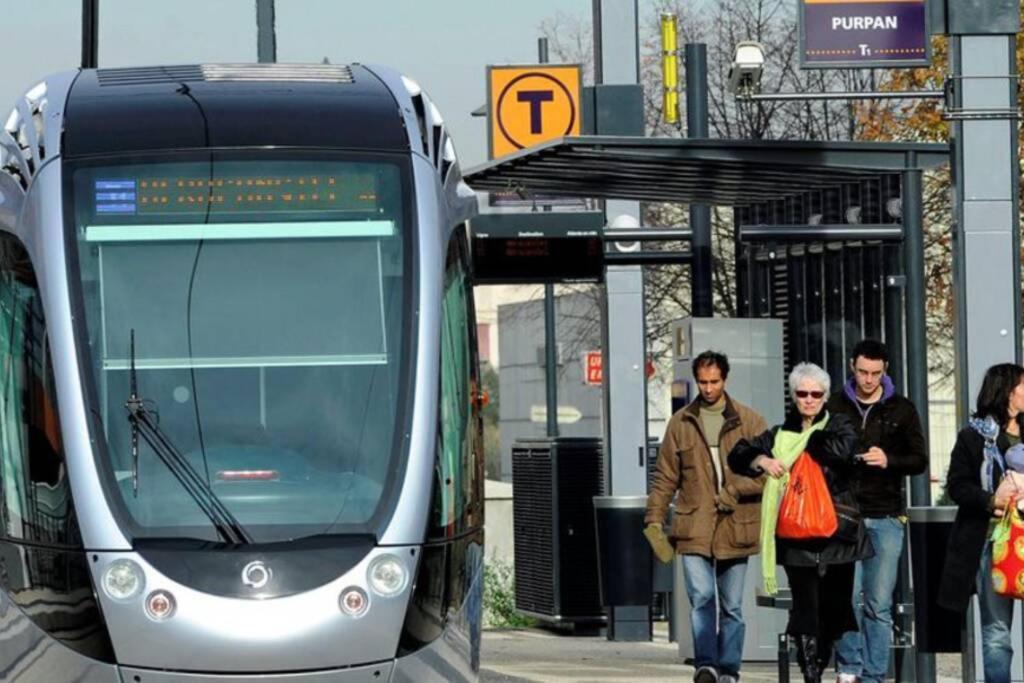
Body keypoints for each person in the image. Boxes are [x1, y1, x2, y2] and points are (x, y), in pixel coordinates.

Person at [729, 362, 871, 683]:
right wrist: (763, 459)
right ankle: (810, 674)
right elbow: (738, 453)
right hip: (796, 535)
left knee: (835, 609)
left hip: (837, 534)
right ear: (793, 396)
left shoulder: (840, 425)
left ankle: (820, 664)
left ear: (825, 397)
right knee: (805, 608)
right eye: (802, 393)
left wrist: (808, 438)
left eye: (816, 394)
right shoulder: (779, 434)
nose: (809, 400)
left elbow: (840, 451)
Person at [644, 350, 768, 683]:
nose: (708, 388)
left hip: (735, 523)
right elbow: (665, 476)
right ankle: (706, 665)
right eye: (703, 382)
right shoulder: (681, 423)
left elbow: (766, 474)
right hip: (693, 524)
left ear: (725, 380)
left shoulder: (750, 421)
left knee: (731, 606)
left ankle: (728, 668)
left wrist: (734, 491)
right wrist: (653, 519)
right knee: (701, 598)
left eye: (714, 381)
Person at [829, 339, 928, 683]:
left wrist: (889, 460)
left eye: (874, 373)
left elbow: (920, 460)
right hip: (844, 514)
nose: (868, 380)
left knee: (878, 603)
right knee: (845, 598)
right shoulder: (836, 405)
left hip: (886, 514)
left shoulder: (901, 409)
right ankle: (849, 669)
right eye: (862, 372)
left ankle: (873, 675)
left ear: (885, 370)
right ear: (852, 367)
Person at [938, 363, 1024, 683]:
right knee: (997, 630)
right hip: (995, 544)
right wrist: (992, 500)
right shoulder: (973, 437)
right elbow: (957, 486)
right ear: (1006, 392)